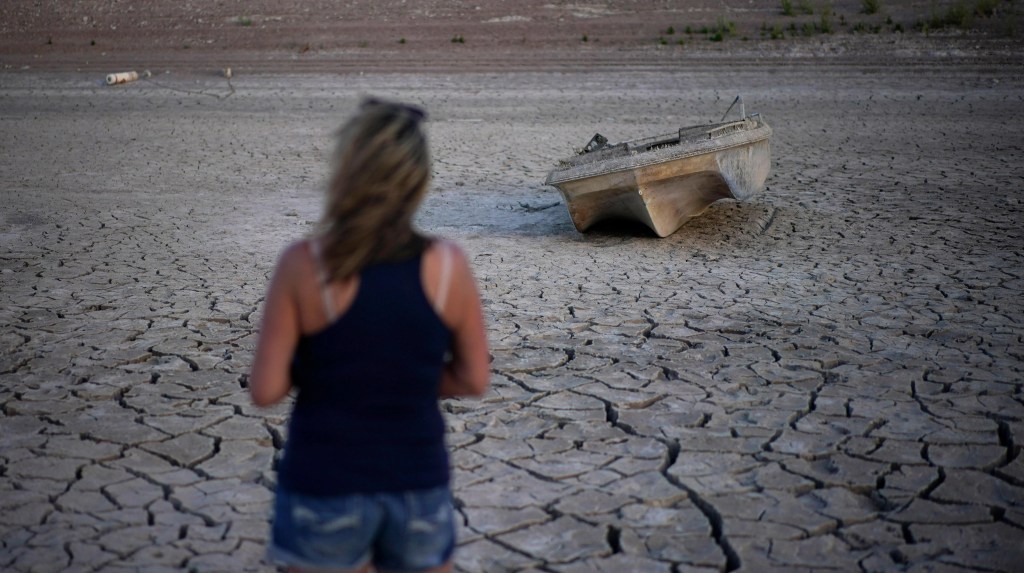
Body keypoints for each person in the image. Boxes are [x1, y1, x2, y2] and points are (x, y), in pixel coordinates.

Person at [249, 98, 490, 573]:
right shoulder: (448, 267)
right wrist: (406, 377)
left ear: (347, 172)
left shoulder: (303, 265)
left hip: (326, 482)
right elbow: (474, 379)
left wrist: (337, 374)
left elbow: (265, 389)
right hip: (417, 486)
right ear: (417, 180)